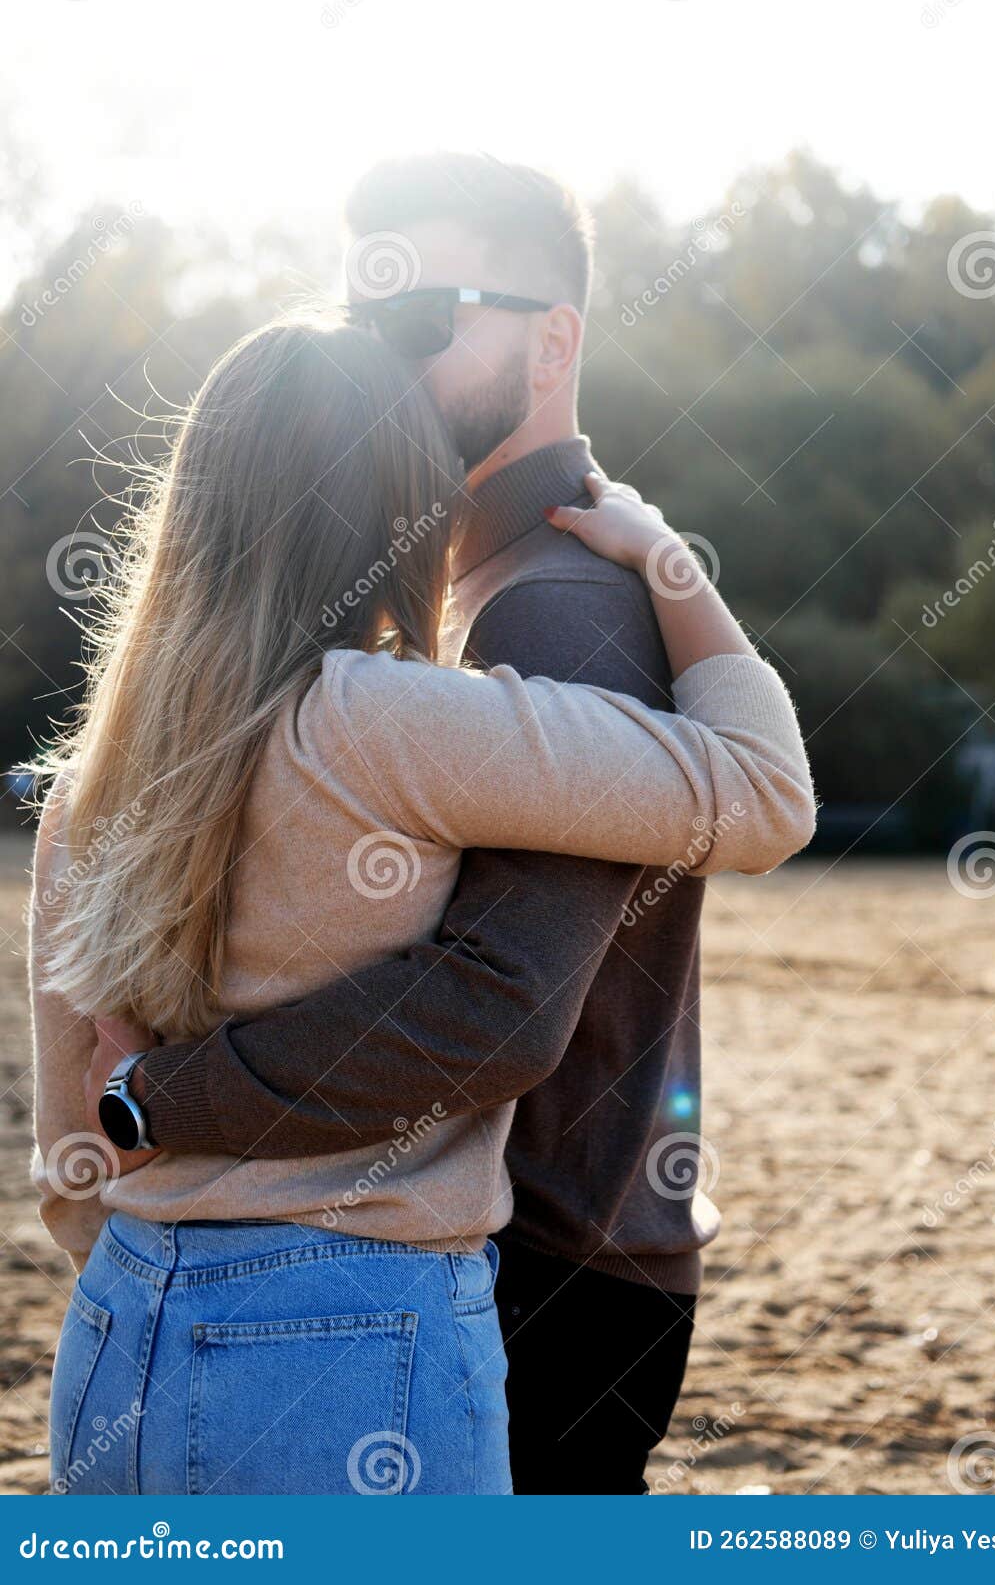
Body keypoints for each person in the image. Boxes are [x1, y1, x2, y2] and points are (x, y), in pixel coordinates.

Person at [79, 155, 816, 1495]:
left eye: (423, 317)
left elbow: (496, 1004)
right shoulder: (430, 612)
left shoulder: (555, 605)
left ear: (555, 338)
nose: (378, 355)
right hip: (452, 1249)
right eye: (362, 316)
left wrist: (150, 1098)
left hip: (543, 1262)